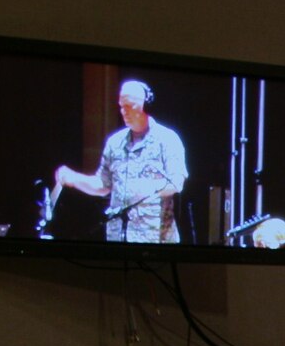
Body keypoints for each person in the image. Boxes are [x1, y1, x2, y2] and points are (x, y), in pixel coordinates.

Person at [53, 79, 188, 244]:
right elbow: (103, 185)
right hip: (118, 238)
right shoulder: (114, 143)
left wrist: (143, 187)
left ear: (146, 104)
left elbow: (177, 182)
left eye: (130, 106)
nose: (124, 111)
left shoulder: (167, 139)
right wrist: (75, 179)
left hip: (155, 240)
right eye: (121, 106)